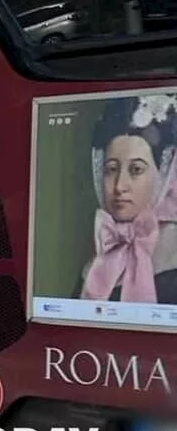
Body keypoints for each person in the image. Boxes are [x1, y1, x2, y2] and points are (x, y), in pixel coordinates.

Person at [79, 95, 177, 303]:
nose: (119, 186)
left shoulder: (172, 260)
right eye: (111, 169)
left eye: (136, 169)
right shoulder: (96, 267)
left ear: (163, 175)